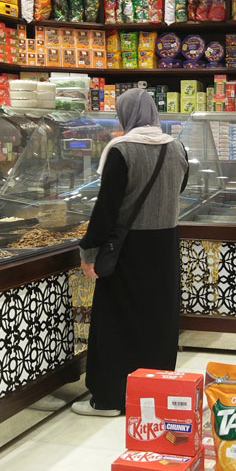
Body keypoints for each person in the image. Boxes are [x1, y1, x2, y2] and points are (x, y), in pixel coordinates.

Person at [73, 89, 189, 417]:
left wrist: (88, 251)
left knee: (117, 320)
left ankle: (110, 398)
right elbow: (179, 187)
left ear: (125, 115)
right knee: (158, 320)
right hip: (165, 247)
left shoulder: (121, 150)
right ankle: (156, 392)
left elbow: (107, 208)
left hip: (128, 249)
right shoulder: (176, 147)